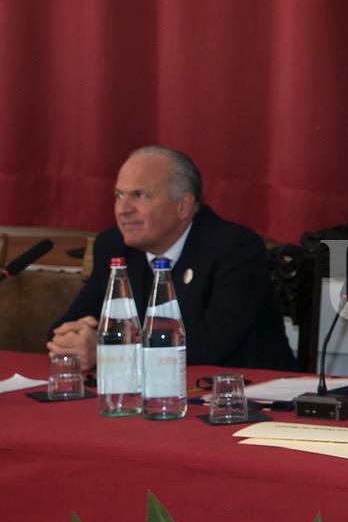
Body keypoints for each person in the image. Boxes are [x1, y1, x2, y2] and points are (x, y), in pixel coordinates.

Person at [49, 146, 297, 371]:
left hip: (243, 394)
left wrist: (108, 350)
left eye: (140, 195)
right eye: (118, 195)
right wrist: (72, 340)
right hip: (153, 391)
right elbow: (61, 329)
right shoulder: (113, 246)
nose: (123, 209)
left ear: (183, 206)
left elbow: (209, 347)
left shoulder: (234, 248)